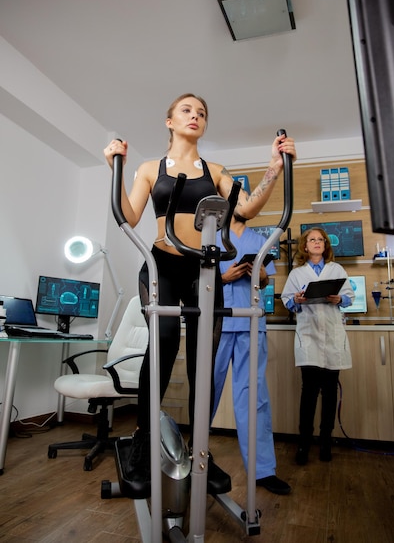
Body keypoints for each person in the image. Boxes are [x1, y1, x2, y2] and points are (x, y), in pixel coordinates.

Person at [104, 93, 297, 484]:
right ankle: (144, 442)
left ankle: (199, 452)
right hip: (161, 265)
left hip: (202, 268)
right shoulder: (148, 169)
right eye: (187, 111)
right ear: (170, 121)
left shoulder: (216, 171)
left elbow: (245, 210)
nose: (196, 116)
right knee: (164, 345)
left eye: (202, 113)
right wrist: (116, 168)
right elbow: (129, 214)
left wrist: (274, 169)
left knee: (201, 361)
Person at [212, 214, 291, 495]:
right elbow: (196, 281)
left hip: (250, 323)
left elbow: (266, 280)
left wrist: (259, 275)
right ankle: (192, 458)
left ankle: (263, 470)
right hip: (216, 324)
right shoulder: (208, 234)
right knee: (205, 394)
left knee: (254, 398)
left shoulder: (261, 239)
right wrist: (223, 278)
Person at [280, 227, 354, 465]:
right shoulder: (297, 273)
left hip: (332, 336)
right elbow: (287, 301)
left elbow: (349, 296)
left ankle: (325, 442)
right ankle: (303, 444)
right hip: (309, 337)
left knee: (330, 393)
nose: (316, 243)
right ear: (305, 246)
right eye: (312, 240)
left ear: (325, 245)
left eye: (320, 240)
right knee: (309, 393)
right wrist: (297, 301)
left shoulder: (337, 269)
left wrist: (339, 298)